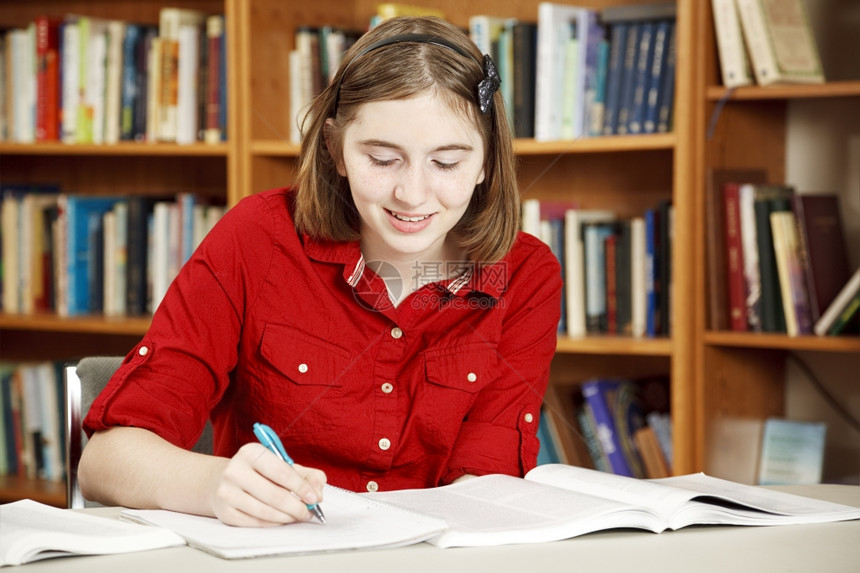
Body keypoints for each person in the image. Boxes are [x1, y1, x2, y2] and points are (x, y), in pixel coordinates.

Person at [79, 15, 562, 527]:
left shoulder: (526, 274)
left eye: (446, 163)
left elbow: (485, 485)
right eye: (382, 158)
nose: (413, 194)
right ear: (335, 148)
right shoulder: (257, 237)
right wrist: (211, 484)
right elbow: (104, 463)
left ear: (487, 160)